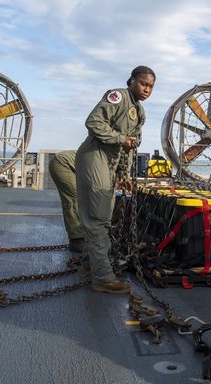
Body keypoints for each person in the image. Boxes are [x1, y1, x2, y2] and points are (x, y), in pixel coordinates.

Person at [75, 65, 155, 294]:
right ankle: (102, 278)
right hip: (95, 156)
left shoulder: (139, 113)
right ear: (131, 81)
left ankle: (90, 266)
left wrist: (122, 174)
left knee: (103, 217)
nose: (147, 89)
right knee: (98, 220)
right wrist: (120, 138)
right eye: (143, 83)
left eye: (150, 86)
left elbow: (128, 147)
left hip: (109, 163)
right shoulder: (118, 97)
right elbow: (93, 122)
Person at [48, 150, 84, 253]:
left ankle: (82, 234)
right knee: (75, 199)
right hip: (62, 164)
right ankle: (77, 240)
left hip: (71, 165)